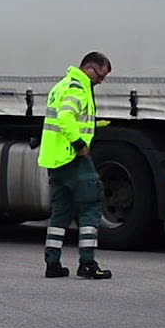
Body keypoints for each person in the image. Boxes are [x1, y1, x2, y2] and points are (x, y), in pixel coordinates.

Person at [38, 52, 114, 279]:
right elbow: (65, 118)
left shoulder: (62, 85)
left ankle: (52, 263)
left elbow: (71, 117)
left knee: (61, 211)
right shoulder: (77, 89)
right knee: (91, 204)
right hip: (72, 157)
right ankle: (88, 263)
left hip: (56, 160)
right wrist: (80, 144)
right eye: (101, 76)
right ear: (90, 68)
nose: (101, 81)